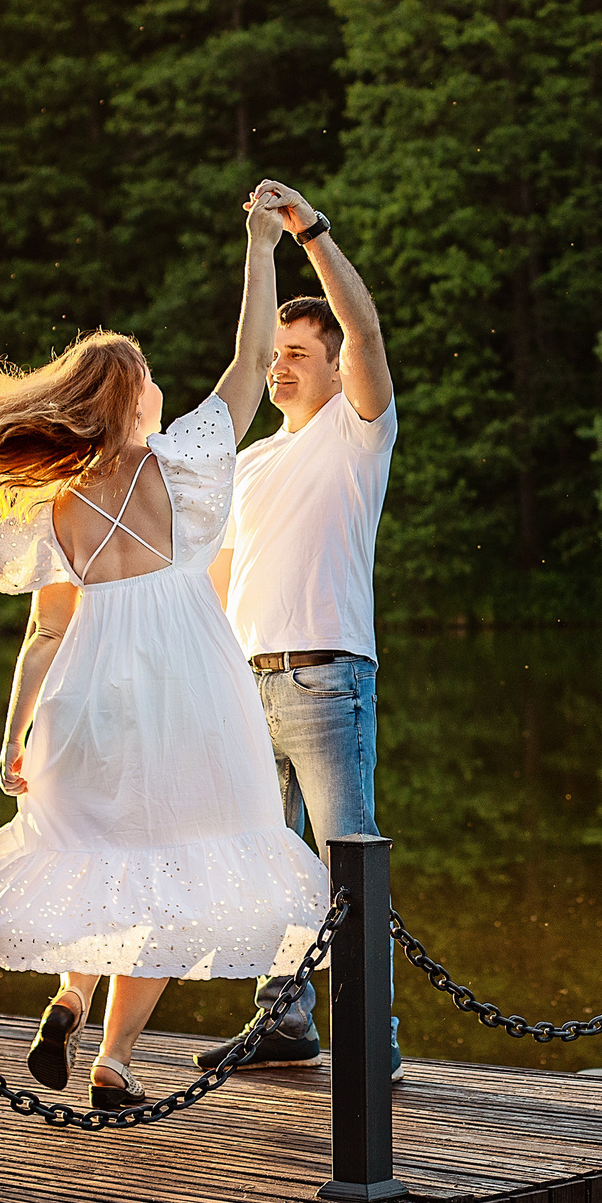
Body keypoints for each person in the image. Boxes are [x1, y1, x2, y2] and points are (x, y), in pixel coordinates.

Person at [0, 202, 328, 1105]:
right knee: (174, 873)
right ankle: (114, 1060)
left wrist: (16, 733)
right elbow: (256, 358)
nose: (165, 389)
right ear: (134, 398)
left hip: (90, 694)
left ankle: (68, 996)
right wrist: (259, 244)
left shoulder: (59, 508)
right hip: (189, 692)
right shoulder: (181, 464)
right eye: (151, 380)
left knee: (105, 856)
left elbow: (45, 633)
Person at [196, 178, 402, 1076]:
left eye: (293, 352)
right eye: (272, 352)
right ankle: (282, 1021)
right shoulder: (250, 462)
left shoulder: (357, 436)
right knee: (265, 870)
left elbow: (366, 332)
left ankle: (373, 1042)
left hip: (326, 681)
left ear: (329, 366)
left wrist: (306, 231)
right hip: (245, 686)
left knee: (343, 866)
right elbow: (214, 579)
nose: (277, 365)